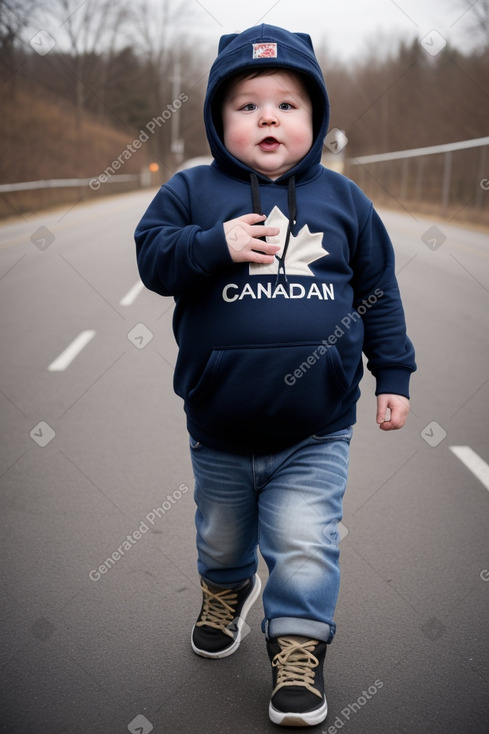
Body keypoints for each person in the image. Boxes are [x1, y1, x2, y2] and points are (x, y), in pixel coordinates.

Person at [134, 24, 416, 728]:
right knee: (223, 540)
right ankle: (224, 593)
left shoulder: (344, 201)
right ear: (215, 120)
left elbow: (377, 292)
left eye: (287, 104)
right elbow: (152, 260)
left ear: (315, 120)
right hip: (220, 428)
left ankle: (297, 647)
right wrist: (213, 244)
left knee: (303, 540)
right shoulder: (191, 192)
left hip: (315, 431)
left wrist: (393, 376)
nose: (267, 116)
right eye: (246, 104)